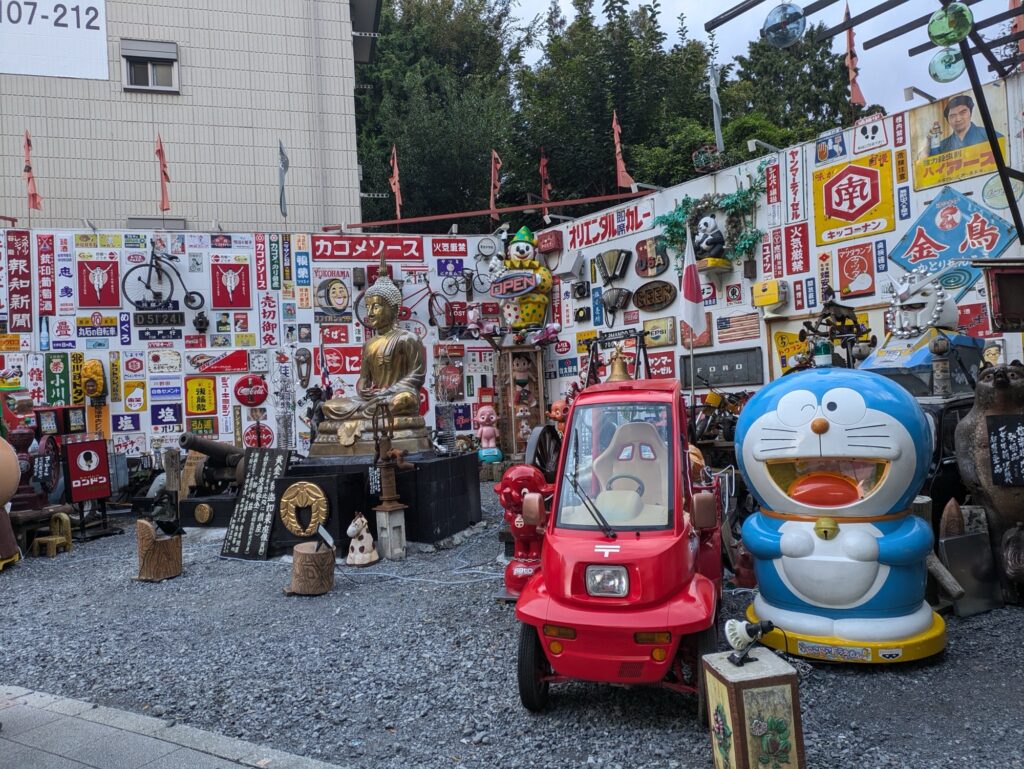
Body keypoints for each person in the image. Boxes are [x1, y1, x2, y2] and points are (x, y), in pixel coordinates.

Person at [929, 95, 1001, 156]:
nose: (958, 119)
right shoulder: (942, 146)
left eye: (963, 112)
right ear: (948, 120)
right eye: (953, 115)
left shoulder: (988, 135)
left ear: (970, 113)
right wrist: (928, 140)